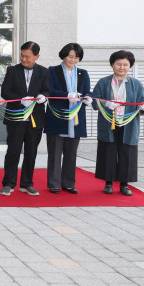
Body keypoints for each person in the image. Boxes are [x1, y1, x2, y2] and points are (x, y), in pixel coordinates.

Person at [92, 50, 144, 196]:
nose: (121, 67)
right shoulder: (103, 82)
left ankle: (124, 184)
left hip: (128, 123)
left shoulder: (136, 84)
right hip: (108, 123)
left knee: (127, 153)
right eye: (118, 64)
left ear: (130, 66)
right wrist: (106, 103)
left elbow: (143, 101)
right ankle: (108, 183)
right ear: (112, 64)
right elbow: (94, 101)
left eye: (125, 64)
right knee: (108, 152)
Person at [0, 41, 50, 196]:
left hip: (35, 118)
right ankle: (8, 183)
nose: (24, 59)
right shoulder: (12, 70)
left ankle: (27, 183)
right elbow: (5, 92)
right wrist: (21, 99)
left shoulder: (44, 72)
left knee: (31, 151)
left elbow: (47, 90)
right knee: (13, 150)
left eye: (28, 56)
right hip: (16, 117)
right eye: (22, 55)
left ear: (37, 56)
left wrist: (44, 96)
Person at [44, 43, 91, 194]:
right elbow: (49, 90)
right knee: (55, 154)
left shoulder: (83, 73)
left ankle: (69, 183)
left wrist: (88, 99)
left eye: (77, 57)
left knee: (71, 154)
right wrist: (67, 95)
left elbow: (86, 92)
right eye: (70, 56)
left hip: (76, 119)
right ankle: (54, 184)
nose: (73, 59)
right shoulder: (53, 71)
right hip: (57, 117)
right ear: (63, 55)